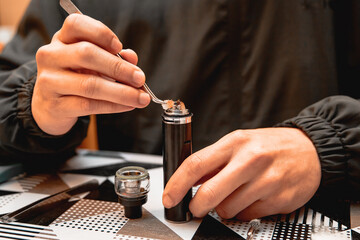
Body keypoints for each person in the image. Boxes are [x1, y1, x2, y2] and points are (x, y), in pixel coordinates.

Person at [0, 0, 359, 220]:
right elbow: (9, 87)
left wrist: (329, 144)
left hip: (316, 212)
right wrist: (34, 107)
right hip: (147, 222)